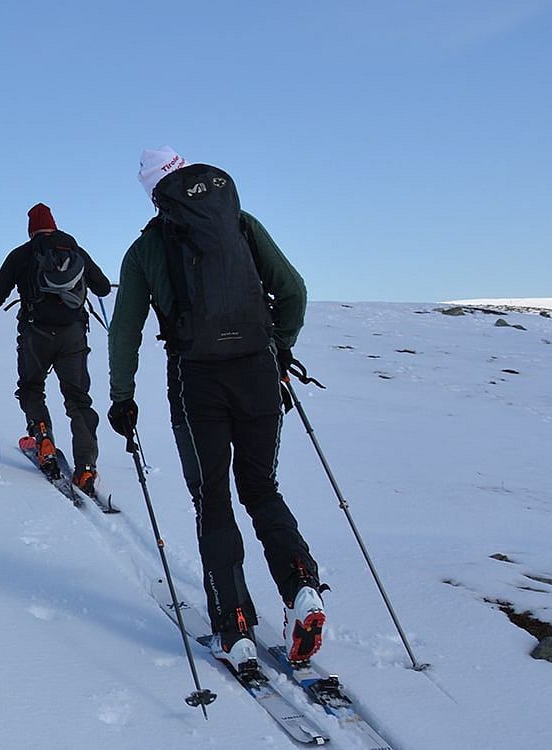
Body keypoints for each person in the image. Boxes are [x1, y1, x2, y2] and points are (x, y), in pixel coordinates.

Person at [105, 146, 326, 671]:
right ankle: (302, 589)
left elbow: (125, 331)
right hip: (257, 375)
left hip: (194, 382)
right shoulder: (241, 225)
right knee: (261, 488)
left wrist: (122, 397)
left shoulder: (146, 251)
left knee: (212, 498)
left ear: (153, 192)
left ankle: (234, 626)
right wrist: (281, 346)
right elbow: (292, 290)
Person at [0, 203, 112, 499]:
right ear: (54, 226)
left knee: (32, 387)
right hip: (73, 336)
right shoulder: (75, 250)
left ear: (31, 229)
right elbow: (104, 288)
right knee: (78, 399)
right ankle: (85, 467)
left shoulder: (21, 254)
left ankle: (42, 437)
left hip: (35, 335)